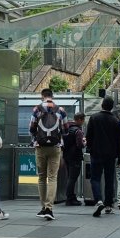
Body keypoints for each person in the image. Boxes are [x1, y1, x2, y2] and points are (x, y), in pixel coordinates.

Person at [29, 89, 66, 221]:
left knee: (41, 177)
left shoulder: (37, 109)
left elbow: (32, 129)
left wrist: (36, 141)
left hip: (40, 147)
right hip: (55, 147)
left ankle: (43, 207)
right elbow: (65, 129)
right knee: (52, 177)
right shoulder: (60, 110)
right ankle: (49, 208)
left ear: (42, 96)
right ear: (52, 96)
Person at [84, 98, 120, 217]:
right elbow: (119, 141)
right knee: (109, 179)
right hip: (110, 155)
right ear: (112, 107)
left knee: (95, 178)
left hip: (96, 153)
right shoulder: (115, 120)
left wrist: (89, 149)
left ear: (102, 105)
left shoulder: (94, 118)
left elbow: (89, 135)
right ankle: (108, 205)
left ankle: (99, 200)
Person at [60, 112, 86, 206]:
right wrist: (84, 142)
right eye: (83, 120)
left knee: (70, 177)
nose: (83, 122)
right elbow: (80, 145)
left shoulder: (67, 129)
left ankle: (71, 197)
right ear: (79, 119)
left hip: (66, 156)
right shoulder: (78, 131)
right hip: (75, 157)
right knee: (73, 178)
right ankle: (70, 199)